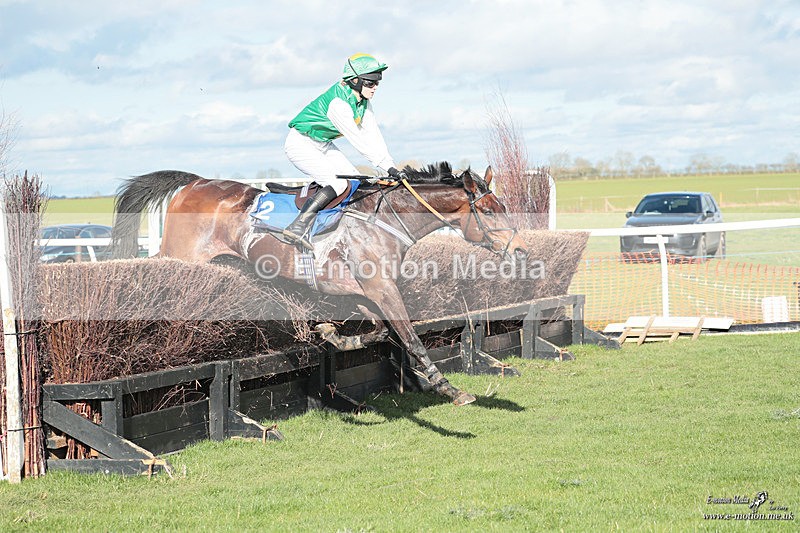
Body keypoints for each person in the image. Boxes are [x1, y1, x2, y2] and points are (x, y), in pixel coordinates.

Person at [283, 53, 399, 247]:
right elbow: (359, 140)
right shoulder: (339, 104)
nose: (375, 87)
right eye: (370, 83)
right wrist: (386, 167)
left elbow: (374, 136)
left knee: (354, 181)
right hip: (300, 144)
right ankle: (298, 227)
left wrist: (391, 166)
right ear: (355, 81)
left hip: (323, 144)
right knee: (336, 185)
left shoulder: (363, 102)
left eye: (377, 83)